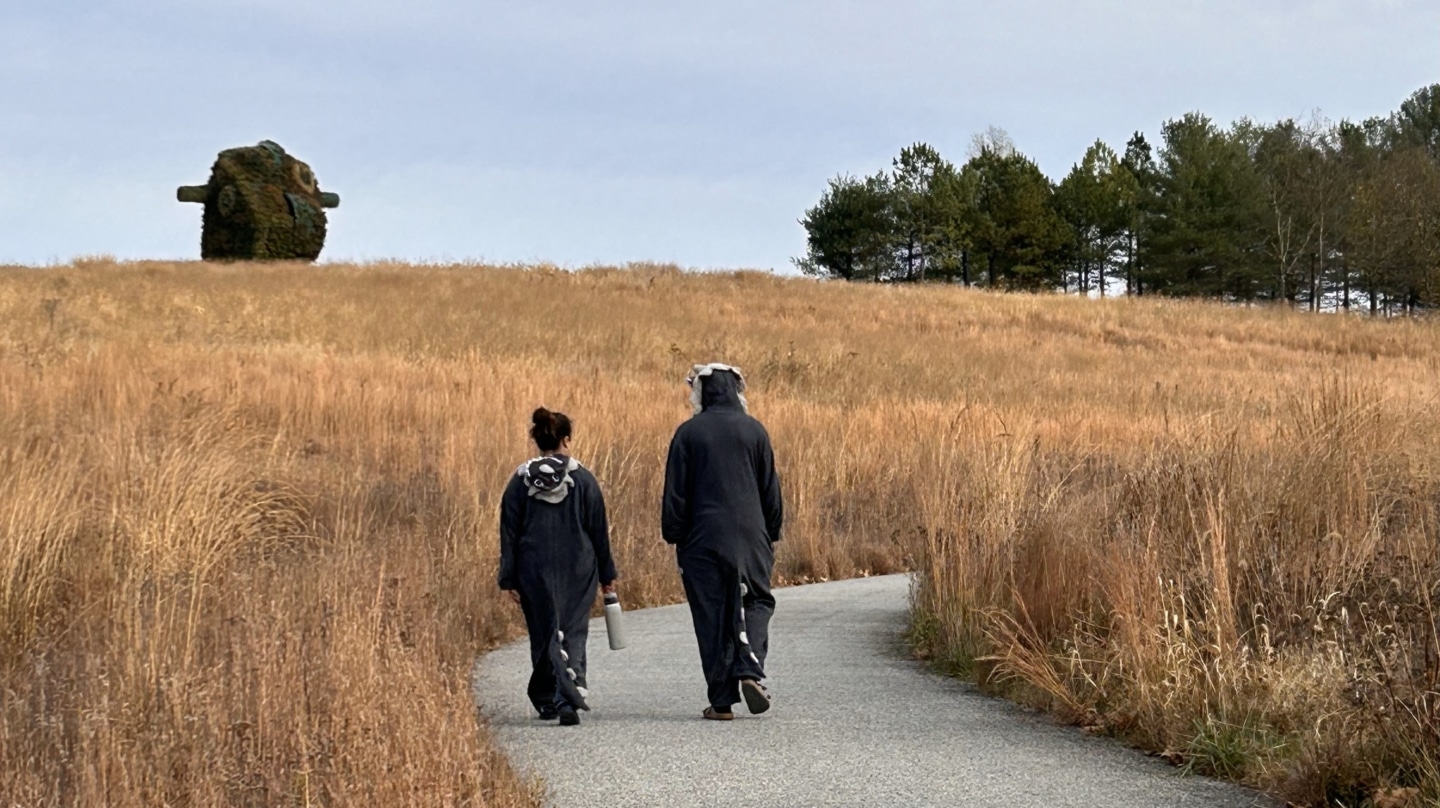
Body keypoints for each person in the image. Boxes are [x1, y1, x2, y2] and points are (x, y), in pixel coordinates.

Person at [662, 363, 784, 720]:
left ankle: (721, 701)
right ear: (736, 391)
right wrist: (771, 532)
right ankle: (750, 667)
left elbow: (675, 494)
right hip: (751, 534)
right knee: (758, 601)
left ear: (701, 392)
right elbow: (770, 490)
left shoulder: (688, 434)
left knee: (711, 612)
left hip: (702, 539)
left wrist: (674, 534)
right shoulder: (755, 432)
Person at [499, 407, 618, 727]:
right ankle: (570, 694)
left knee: (543, 631)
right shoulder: (583, 479)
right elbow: (597, 530)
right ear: (567, 439)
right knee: (572, 630)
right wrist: (607, 575)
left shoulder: (520, 481)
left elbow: (509, 530)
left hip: (532, 568)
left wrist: (508, 576)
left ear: (536, 440)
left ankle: (546, 697)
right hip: (578, 568)